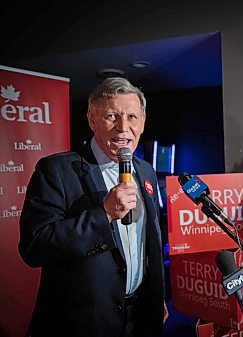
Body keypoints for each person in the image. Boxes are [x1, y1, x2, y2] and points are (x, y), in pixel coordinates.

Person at [18, 77, 169, 337]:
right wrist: (105, 214)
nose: (123, 127)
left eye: (132, 117)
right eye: (112, 116)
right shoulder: (57, 170)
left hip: (140, 317)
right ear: (92, 120)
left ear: (142, 123)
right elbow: (34, 247)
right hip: (84, 322)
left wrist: (157, 297)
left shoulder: (146, 171)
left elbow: (151, 242)